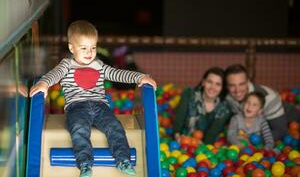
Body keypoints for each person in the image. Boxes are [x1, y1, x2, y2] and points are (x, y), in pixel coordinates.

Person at [29, 20, 157, 177]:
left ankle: (123, 160)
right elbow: (54, 74)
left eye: (93, 47)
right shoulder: (67, 65)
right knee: (79, 129)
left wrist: (140, 77)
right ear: (72, 48)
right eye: (83, 48)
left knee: (115, 128)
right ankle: (85, 164)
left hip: (100, 106)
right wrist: (44, 83)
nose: (89, 52)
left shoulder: (99, 65)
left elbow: (118, 73)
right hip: (76, 106)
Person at [225, 64, 299, 141]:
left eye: (241, 84)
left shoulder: (269, 97)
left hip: (290, 120)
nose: (237, 91)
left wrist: (251, 139)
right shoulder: (229, 98)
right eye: (232, 85)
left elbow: (281, 131)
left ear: (248, 81)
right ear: (227, 86)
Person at [173, 67, 232, 144]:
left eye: (218, 84)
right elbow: (179, 119)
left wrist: (201, 148)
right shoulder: (189, 95)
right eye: (209, 82)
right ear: (203, 82)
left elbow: (212, 134)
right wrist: (177, 137)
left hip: (203, 147)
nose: (212, 87)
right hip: (183, 141)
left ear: (222, 88)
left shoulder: (224, 108)